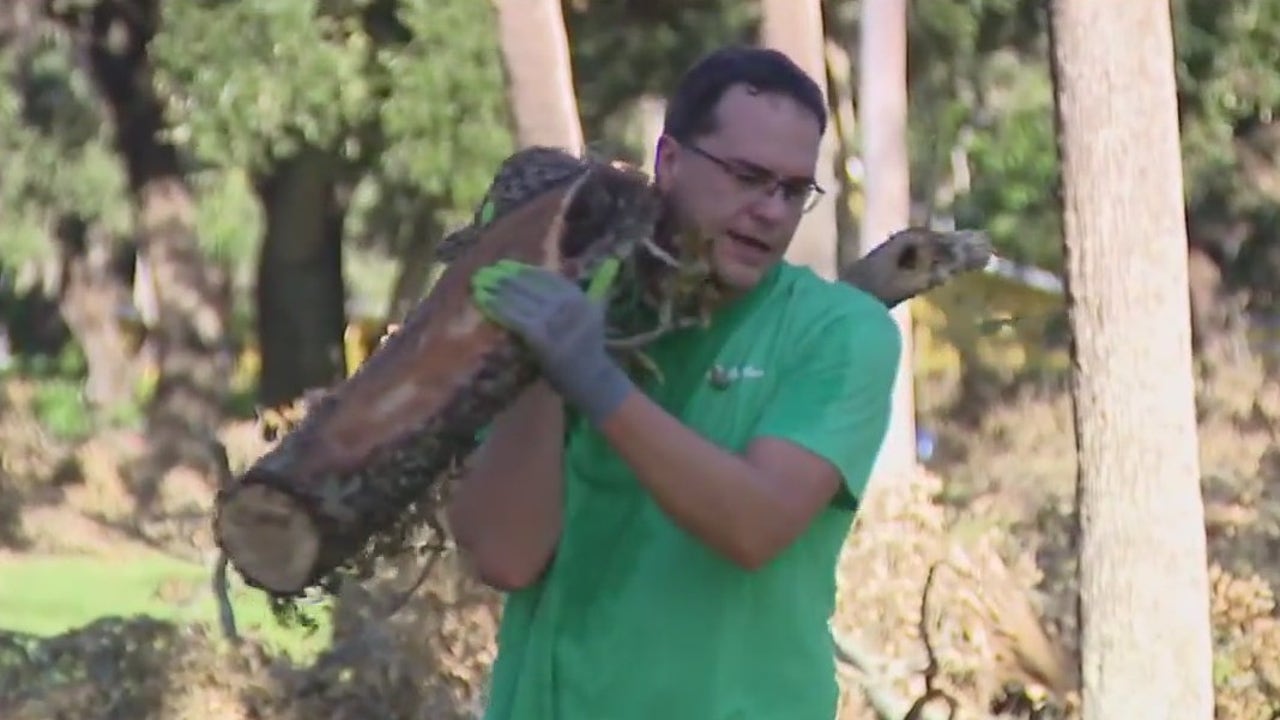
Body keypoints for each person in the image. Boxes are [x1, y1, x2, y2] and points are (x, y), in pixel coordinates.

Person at [448, 45, 903, 720]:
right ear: (669, 162)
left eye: (792, 190)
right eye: (747, 177)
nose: (771, 211)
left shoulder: (840, 332)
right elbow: (504, 557)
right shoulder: (589, 309)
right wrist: (540, 368)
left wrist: (597, 383)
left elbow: (756, 524)